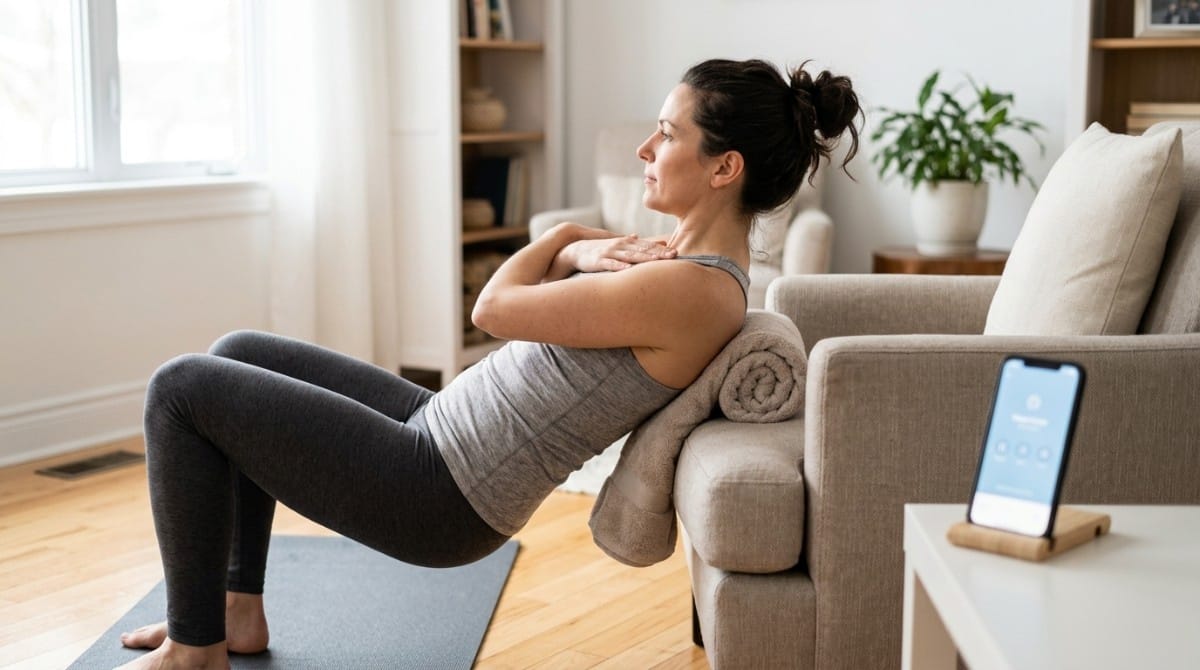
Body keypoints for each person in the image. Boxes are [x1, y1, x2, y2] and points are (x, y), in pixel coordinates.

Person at [117, 58, 861, 669]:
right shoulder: (682, 268)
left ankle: (195, 653)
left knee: (180, 390)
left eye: (666, 134)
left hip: (439, 488)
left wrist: (568, 237)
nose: (645, 150)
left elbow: (491, 308)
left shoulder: (689, 290)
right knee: (238, 355)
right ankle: (233, 611)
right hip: (437, 425)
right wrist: (583, 253)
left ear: (724, 166)